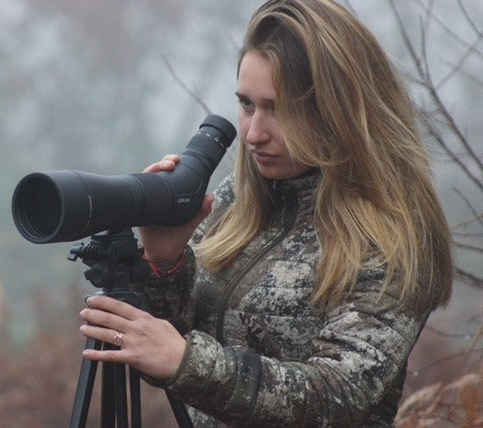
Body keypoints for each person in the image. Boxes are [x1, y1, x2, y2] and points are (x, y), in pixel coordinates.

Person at [78, 0, 454, 426]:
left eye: (279, 109)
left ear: (338, 110)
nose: (254, 133)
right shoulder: (236, 200)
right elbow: (169, 354)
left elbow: (338, 396)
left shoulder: (390, 235)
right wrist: (165, 264)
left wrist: (186, 360)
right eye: (247, 104)